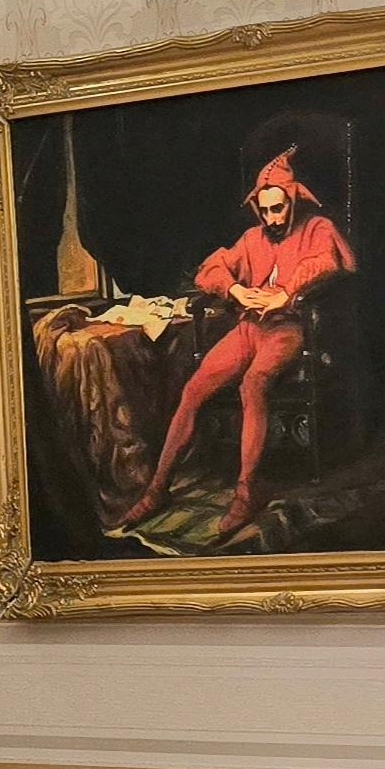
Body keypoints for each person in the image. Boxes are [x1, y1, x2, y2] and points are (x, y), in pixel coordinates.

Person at [115, 148, 355, 540]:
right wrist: (237, 291)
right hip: (248, 329)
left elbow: (325, 262)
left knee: (253, 383)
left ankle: (246, 491)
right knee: (193, 390)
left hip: (287, 329)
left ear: (294, 201)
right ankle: (158, 489)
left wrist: (285, 294)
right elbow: (211, 269)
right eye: (265, 211)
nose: (272, 218)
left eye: (278, 209)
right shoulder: (252, 238)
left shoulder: (318, 228)